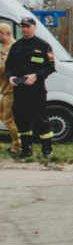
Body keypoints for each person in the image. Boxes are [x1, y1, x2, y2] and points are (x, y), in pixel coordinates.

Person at [6, 16, 56, 158]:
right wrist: (11, 77)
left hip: (36, 90)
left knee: (41, 119)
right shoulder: (16, 46)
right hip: (20, 90)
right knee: (22, 120)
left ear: (34, 27)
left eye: (27, 26)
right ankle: (26, 149)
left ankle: (47, 149)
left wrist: (36, 76)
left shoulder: (43, 46)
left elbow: (50, 67)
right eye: (22, 26)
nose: (24, 29)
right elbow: (8, 66)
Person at [0, 22, 22, 155]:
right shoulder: (5, 48)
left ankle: (18, 147)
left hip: (11, 90)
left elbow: (4, 67)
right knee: (2, 114)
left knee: (9, 119)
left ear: (3, 33)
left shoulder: (12, 47)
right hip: (5, 89)